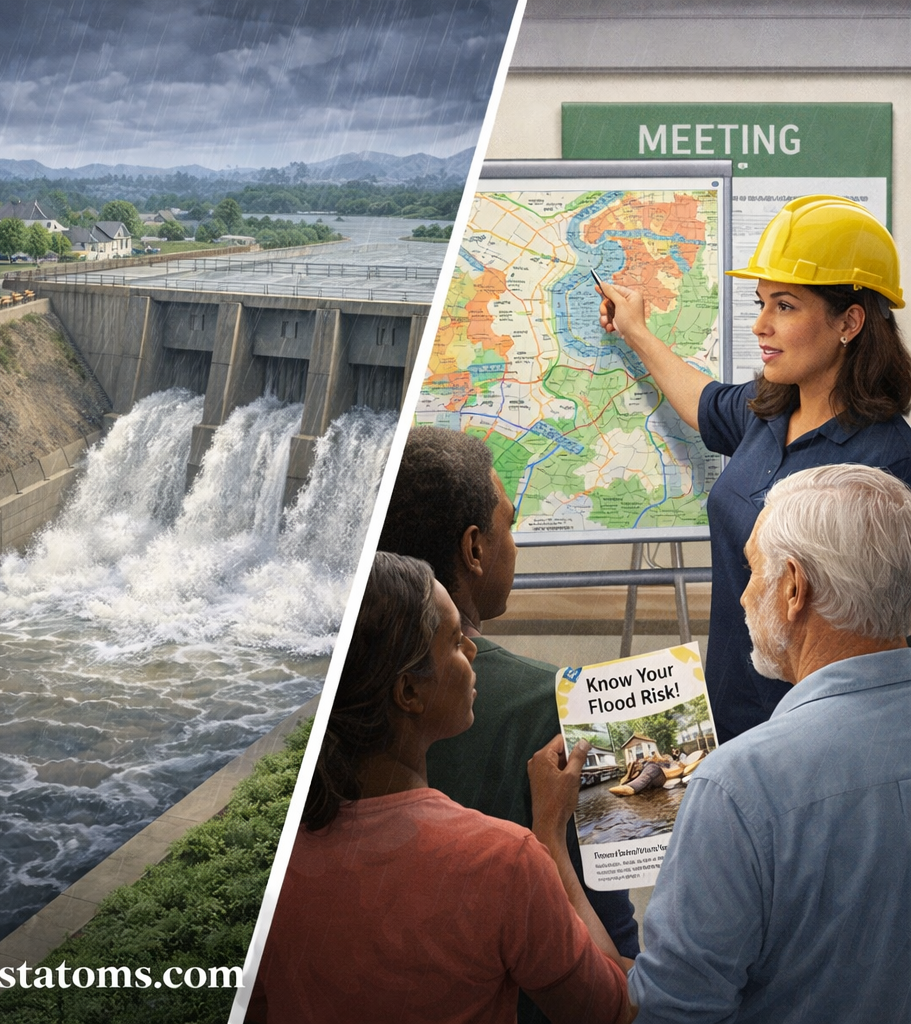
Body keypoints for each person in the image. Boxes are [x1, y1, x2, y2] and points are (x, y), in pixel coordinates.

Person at [248, 552, 634, 1024]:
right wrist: (549, 835)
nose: (474, 651)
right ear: (409, 692)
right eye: (455, 642)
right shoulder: (504, 860)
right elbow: (610, 1010)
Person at [597, 194, 911, 740]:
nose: (760, 325)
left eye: (784, 306)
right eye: (761, 302)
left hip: (812, 736)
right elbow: (703, 402)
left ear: (850, 321)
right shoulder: (768, 409)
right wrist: (636, 330)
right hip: (728, 716)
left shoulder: (888, 465)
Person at [628, 464, 911, 1022]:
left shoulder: (740, 787)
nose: (741, 598)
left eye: (753, 572)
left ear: (794, 588)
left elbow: (671, 1011)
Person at [377, 428, 640, 969]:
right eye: (510, 525)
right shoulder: (575, 705)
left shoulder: (362, 690)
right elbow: (614, 948)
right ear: (474, 548)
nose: (515, 545)